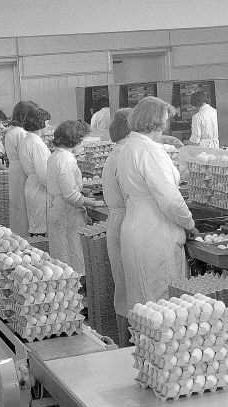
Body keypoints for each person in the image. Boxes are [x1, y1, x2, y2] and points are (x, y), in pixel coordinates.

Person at [117, 97, 198, 306]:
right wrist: (189, 224)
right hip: (154, 231)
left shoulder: (130, 146)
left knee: (143, 303)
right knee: (162, 302)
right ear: (156, 121)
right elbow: (170, 199)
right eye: (165, 119)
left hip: (135, 227)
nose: (166, 124)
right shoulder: (150, 150)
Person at [46, 120, 104, 275]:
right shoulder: (65, 159)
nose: (82, 144)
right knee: (72, 255)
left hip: (59, 210)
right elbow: (70, 195)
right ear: (74, 139)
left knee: (63, 256)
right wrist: (93, 203)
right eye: (81, 140)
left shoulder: (55, 156)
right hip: (66, 213)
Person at [101, 108, 132, 340]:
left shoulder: (115, 154)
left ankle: (124, 343)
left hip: (116, 221)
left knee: (122, 288)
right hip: (126, 223)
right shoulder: (124, 157)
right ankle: (127, 344)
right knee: (129, 290)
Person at [6, 101, 38, 237]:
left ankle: (19, 234)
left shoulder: (12, 130)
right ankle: (23, 236)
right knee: (23, 207)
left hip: (15, 170)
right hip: (21, 171)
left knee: (17, 206)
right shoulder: (20, 133)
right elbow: (25, 154)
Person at [19, 107, 51, 236]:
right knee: (40, 227)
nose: (48, 126)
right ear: (40, 123)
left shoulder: (28, 140)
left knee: (36, 223)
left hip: (33, 185)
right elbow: (43, 174)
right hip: (39, 188)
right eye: (47, 123)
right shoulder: (36, 143)